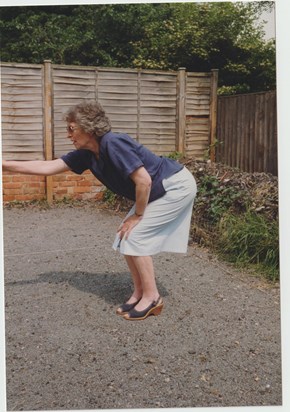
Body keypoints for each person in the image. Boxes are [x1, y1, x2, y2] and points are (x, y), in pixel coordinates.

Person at [2, 101, 197, 321]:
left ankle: (152, 298)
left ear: (88, 128)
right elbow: (48, 167)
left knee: (137, 235)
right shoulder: (86, 153)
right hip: (157, 189)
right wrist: (5, 164)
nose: (68, 135)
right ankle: (139, 292)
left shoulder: (113, 143)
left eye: (71, 129)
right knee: (125, 236)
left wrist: (137, 215)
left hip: (174, 185)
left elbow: (143, 181)